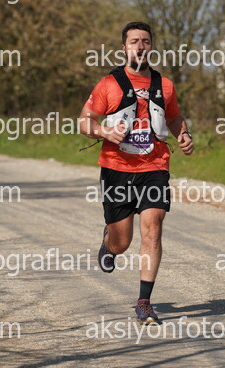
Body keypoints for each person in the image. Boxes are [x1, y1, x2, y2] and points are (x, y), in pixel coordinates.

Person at [79, 22, 193, 324]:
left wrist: (183, 134)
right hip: (116, 168)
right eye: (134, 41)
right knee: (122, 241)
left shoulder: (165, 85)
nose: (140, 46)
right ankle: (109, 243)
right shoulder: (108, 84)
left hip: (154, 166)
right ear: (124, 48)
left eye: (145, 41)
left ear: (151, 46)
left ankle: (144, 302)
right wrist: (104, 131)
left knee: (153, 226)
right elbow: (84, 121)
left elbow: (174, 117)